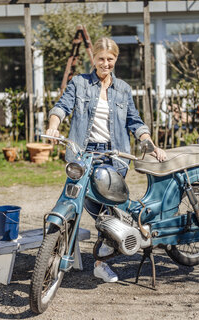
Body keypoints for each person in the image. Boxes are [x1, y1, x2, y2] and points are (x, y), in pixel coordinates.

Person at [46, 37, 166, 283]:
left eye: (110, 59)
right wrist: (53, 127)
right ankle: (58, 251)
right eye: (101, 58)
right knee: (80, 200)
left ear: (115, 60)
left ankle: (101, 262)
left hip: (113, 156)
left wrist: (148, 141)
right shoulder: (79, 83)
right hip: (84, 154)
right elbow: (62, 107)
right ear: (94, 59)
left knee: (107, 212)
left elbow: (134, 120)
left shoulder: (122, 88)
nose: (105, 63)